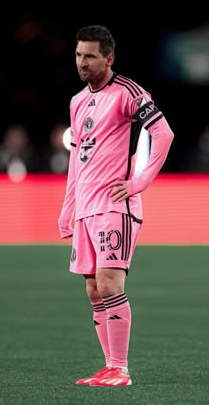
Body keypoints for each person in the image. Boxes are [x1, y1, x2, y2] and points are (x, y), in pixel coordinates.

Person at [58, 25, 174, 386]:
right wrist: (67, 208)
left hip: (115, 206)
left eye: (90, 56)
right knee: (93, 288)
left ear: (108, 58)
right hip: (85, 208)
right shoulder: (77, 101)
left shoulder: (128, 93)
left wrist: (140, 182)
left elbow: (163, 133)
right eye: (78, 55)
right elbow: (77, 158)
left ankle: (120, 369)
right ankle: (109, 367)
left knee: (110, 283)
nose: (82, 62)